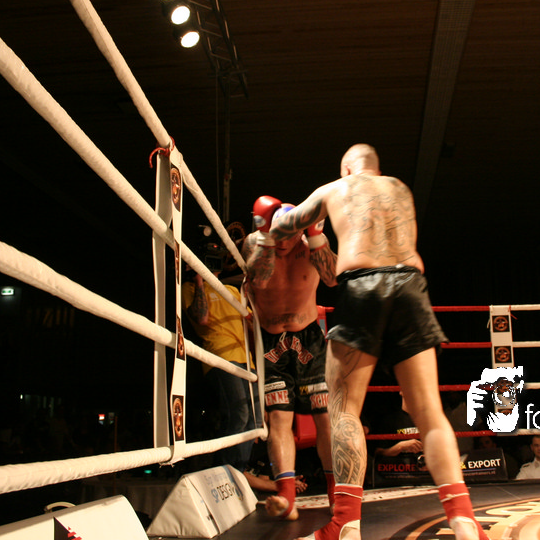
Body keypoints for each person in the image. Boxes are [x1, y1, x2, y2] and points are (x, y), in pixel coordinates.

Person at [268, 143, 488, 540]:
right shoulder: (400, 189)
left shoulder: (335, 188)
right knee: (429, 412)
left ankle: (345, 524)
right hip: (411, 285)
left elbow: (282, 228)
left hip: (363, 286)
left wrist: (289, 218)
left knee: (344, 411)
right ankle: (464, 520)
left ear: (346, 169)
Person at [243, 197, 338, 520]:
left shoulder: (311, 244)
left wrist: (316, 236)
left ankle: (335, 492)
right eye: (275, 233)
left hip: (309, 338)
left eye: (287, 234)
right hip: (270, 341)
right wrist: (267, 238)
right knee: (279, 418)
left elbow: (332, 278)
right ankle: (286, 497)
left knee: (325, 416)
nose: (282, 241)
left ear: (299, 229)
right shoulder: (254, 242)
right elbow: (259, 280)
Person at [183, 266, 258, 473]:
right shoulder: (189, 288)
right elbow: (201, 318)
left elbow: (253, 324)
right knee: (239, 414)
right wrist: (199, 280)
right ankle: (222, 471)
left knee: (256, 420)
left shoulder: (231, 290)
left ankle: (238, 471)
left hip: (247, 360)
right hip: (221, 356)